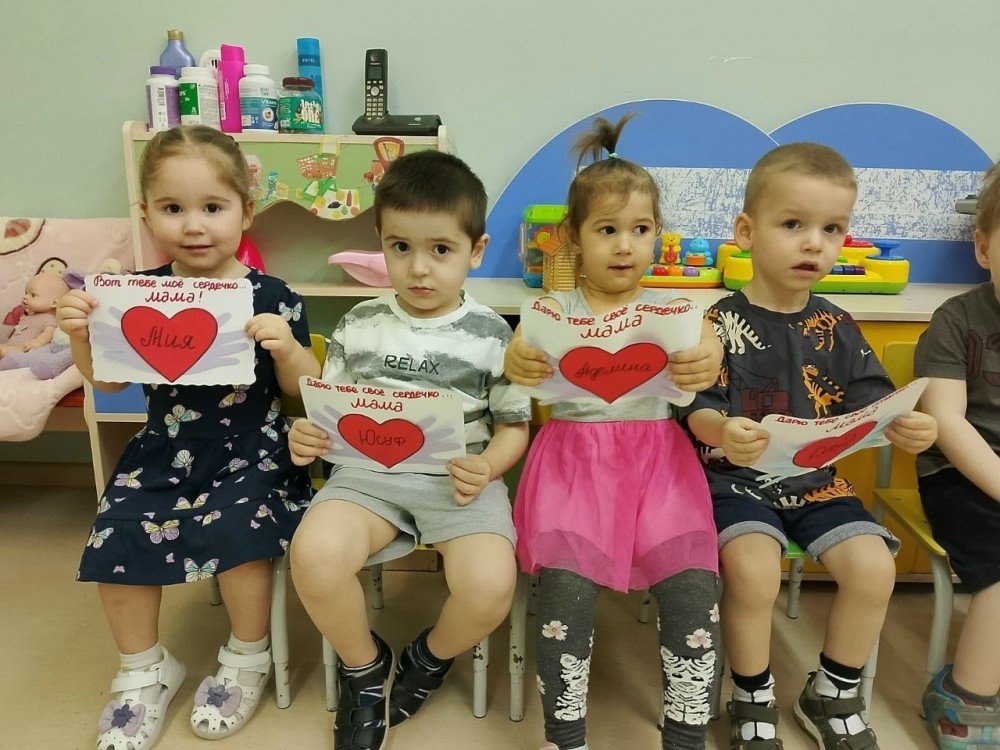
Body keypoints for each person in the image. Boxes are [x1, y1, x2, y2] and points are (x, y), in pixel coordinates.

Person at [56, 125, 319, 750]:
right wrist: (80, 336)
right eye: (173, 208)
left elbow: (306, 389)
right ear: (147, 214)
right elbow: (108, 380)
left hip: (254, 449)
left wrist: (287, 349)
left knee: (239, 531)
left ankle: (247, 656)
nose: (194, 225)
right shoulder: (135, 294)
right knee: (117, 527)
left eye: (213, 207)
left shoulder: (272, 296)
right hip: (163, 448)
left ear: (245, 212)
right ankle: (144, 669)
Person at [683, 142, 938, 750]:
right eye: (793, 224)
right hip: (732, 482)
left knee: (874, 568)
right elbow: (693, 409)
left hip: (817, 483)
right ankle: (751, 693)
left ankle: (831, 691)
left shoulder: (838, 325)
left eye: (832, 229)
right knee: (753, 570)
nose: (813, 244)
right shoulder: (713, 323)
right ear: (747, 232)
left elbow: (875, 406)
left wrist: (909, 426)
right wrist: (722, 431)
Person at [288, 149, 532, 750]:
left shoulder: (494, 334)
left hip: (460, 484)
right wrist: (307, 434)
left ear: (476, 250)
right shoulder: (358, 324)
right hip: (366, 477)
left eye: (441, 250)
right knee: (313, 556)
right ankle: (364, 669)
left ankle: (428, 656)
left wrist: (489, 466)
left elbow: (513, 426)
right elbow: (329, 409)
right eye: (401, 247)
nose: (419, 268)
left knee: (490, 586)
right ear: (381, 243)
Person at [504, 114, 725, 750]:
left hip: (660, 465)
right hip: (573, 465)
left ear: (658, 235)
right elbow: (520, 358)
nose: (625, 245)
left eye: (640, 229)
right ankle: (564, 735)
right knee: (564, 599)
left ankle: (687, 734)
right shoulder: (550, 310)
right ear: (571, 238)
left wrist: (706, 357)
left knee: (693, 592)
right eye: (607, 230)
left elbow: (705, 348)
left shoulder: (673, 311)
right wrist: (518, 361)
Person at [916, 160, 1000, 749]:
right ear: (984, 247)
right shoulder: (956, 320)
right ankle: (966, 697)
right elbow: (946, 422)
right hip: (960, 472)